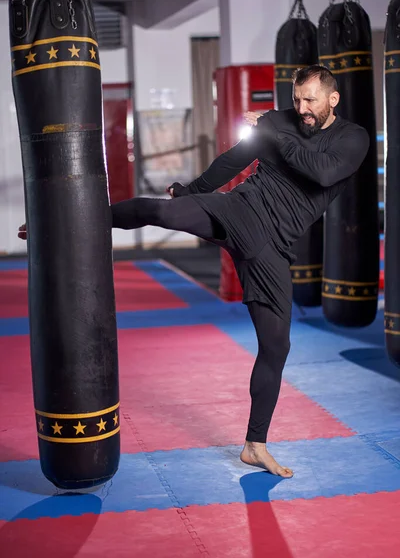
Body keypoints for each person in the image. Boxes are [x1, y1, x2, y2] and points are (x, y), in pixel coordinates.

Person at [18, 65, 369, 478]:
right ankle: (58, 222)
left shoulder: (352, 137)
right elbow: (233, 159)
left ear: (333, 99)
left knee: (276, 348)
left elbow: (322, 171)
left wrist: (276, 129)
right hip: (239, 209)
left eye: (310, 100)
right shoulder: (282, 122)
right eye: (296, 99)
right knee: (161, 210)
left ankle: (255, 446)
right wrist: (194, 189)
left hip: (272, 247)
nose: (302, 108)